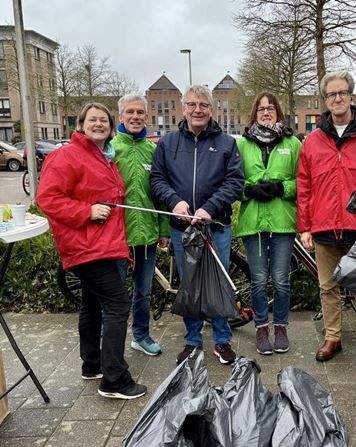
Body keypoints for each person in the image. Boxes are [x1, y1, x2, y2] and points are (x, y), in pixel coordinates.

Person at [38, 102, 146, 400]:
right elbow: (48, 198)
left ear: (111, 127)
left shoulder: (102, 157)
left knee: (93, 304)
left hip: (103, 244)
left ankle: (92, 364)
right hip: (86, 246)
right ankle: (115, 380)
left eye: (104, 121)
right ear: (81, 125)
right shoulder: (67, 156)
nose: (98, 124)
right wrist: (86, 211)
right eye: (92, 120)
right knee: (118, 305)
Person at [297, 71, 356, 370]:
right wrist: (305, 226)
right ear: (325, 100)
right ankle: (333, 337)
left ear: (352, 95)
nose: (337, 99)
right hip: (325, 225)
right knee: (328, 286)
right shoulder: (313, 141)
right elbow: (304, 184)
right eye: (331, 95)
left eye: (342, 93)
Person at [151, 85, 244, 365]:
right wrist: (174, 201)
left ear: (212, 110)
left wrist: (208, 208)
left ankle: (222, 340)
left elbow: (235, 182)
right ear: (183, 109)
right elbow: (157, 180)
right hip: (182, 230)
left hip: (215, 227)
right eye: (191, 104)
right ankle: (192, 341)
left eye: (203, 105)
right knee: (189, 285)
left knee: (218, 284)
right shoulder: (168, 144)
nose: (197, 110)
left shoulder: (227, 143)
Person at [234, 92, 301, 355]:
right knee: (259, 280)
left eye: (270, 108)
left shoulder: (293, 144)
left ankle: (281, 328)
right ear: (254, 113)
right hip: (254, 223)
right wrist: (248, 191)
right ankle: (261, 329)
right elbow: (232, 181)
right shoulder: (242, 145)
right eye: (261, 109)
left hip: (282, 222)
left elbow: (303, 182)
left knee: (281, 280)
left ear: (278, 113)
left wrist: (280, 188)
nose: (265, 112)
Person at [113, 93, 170, 357]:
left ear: (146, 117)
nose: (135, 117)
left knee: (143, 291)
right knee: (115, 294)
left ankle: (141, 335)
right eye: (130, 112)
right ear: (120, 116)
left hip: (146, 233)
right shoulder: (111, 149)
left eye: (140, 113)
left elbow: (160, 193)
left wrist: (164, 230)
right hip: (117, 236)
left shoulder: (153, 150)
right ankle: (111, 343)